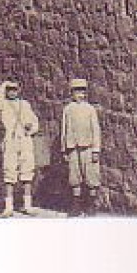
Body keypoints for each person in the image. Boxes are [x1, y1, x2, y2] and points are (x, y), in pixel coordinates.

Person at [0, 78, 40, 217]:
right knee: (9, 172)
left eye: (15, 89)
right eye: (9, 89)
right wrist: (5, 84)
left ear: (19, 90)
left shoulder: (25, 105)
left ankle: (27, 205)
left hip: (24, 139)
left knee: (27, 171)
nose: (12, 92)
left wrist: (30, 127)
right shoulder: (2, 105)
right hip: (10, 140)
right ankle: (8, 207)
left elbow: (35, 122)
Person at [61, 78, 102, 215]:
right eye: (76, 91)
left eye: (82, 91)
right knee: (75, 177)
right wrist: (64, 149)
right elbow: (64, 130)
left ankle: (91, 205)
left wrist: (96, 149)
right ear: (71, 93)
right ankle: (76, 205)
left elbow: (96, 130)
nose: (79, 94)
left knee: (91, 176)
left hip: (88, 147)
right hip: (73, 147)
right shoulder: (68, 109)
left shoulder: (90, 109)